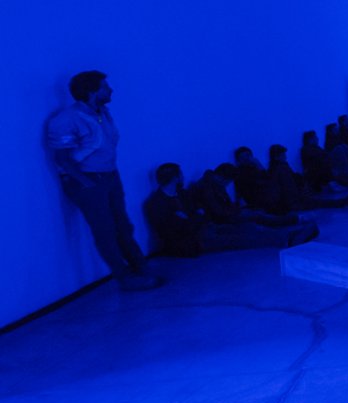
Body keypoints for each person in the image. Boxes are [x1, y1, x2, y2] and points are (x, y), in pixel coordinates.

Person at [46, 71, 163, 290]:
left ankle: (141, 268)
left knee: (123, 226)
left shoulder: (102, 112)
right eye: (105, 87)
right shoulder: (65, 120)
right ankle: (125, 278)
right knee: (105, 231)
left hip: (109, 176)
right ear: (92, 91)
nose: (111, 90)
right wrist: (86, 183)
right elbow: (61, 159)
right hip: (88, 180)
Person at [146, 163, 316, 257]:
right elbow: (175, 231)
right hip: (192, 242)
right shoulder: (157, 204)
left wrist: (191, 217)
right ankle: (288, 239)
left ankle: (290, 234)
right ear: (175, 177)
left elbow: (198, 214)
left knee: (249, 227)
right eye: (180, 174)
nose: (183, 177)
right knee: (242, 238)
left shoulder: (182, 194)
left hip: (206, 227)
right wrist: (194, 217)